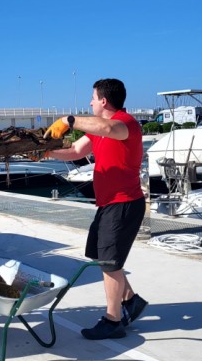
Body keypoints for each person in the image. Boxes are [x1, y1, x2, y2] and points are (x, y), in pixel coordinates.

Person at [44, 78, 147, 340]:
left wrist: (68, 121)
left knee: (110, 262)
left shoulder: (126, 124)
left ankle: (113, 321)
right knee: (101, 257)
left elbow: (108, 126)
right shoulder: (98, 130)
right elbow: (76, 151)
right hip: (108, 204)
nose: (89, 102)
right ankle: (131, 301)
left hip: (124, 203)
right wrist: (47, 153)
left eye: (92, 98)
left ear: (103, 101)